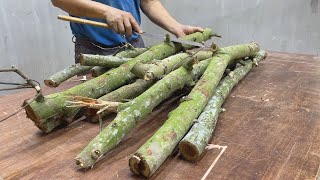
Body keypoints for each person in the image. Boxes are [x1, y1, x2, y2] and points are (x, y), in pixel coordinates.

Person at [51, 0, 203, 63]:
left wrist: (176, 28)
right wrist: (106, 12)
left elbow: (149, 1)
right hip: (94, 52)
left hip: (135, 45)